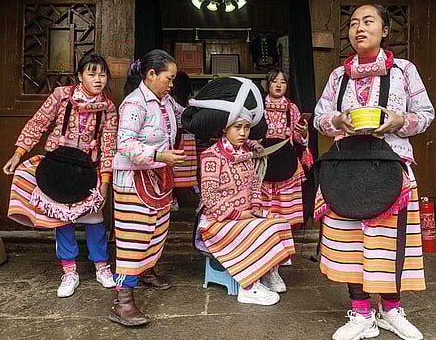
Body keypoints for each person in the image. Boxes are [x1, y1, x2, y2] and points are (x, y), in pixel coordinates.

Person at [314, 4, 434, 340]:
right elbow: (319, 117)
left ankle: (391, 310)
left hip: (390, 167)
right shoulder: (338, 76)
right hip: (346, 169)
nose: (359, 28)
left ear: (384, 31)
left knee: (389, 243)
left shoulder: (404, 71)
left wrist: (401, 121)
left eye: (368, 22)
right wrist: (336, 121)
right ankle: (361, 313)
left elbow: (426, 114)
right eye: (354, 23)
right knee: (351, 242)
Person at [3, 53, 118, 298]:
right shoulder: (61, 96)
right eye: (91, 73)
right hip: (57, 168)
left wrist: (105, 180)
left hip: (88, 170)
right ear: (79, 76)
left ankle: (102, 267)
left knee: (94, 220)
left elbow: (109, 144)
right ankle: (69, 271)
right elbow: (39, 122)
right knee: (62, 220)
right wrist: (19, 152)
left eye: (102, 74)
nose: (98, 79)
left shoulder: (108, 107)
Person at [183, 77, 296, 306]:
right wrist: (240, 214)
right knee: (260, 229)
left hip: (245, 215)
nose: (244, 133)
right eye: (238, 127)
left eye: (246, 127)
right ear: (225, 128)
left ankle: (267, 270)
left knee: (279, 222)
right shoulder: (211, 157)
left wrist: (254, 207)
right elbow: (210, 198)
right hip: (216, 222)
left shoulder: (246, 155)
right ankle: (249, 286)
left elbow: (254, 186)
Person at [109, 49, 186, 326]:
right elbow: (125, 145)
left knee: (156, 228)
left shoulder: (165, 101)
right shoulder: (134, 104)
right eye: (169, 78)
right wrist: (159, 156)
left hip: (156, 177)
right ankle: (123, 301)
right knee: (134, 236)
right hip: (133, 179)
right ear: (151, 74)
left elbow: (185, 114)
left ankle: (146, 271)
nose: (172, 83)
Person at [260, 68, 308, 228]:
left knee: (286, 211)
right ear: (268, 84)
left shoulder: (291, 108)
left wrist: (304, 131)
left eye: (283, 82)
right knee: (263, 212)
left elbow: (298, 138)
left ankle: (286, 235)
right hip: (264, 160)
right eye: (275, 81)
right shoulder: (259, 107)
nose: (279, 85)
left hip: (287, 161)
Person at [170, 71, 199, 211]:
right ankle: (195, 190)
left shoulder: (169, 101)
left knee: (171, 171)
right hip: (188, 137)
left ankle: (172, 199)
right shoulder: (190, 102)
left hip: (174, 138)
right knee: (187, 171)